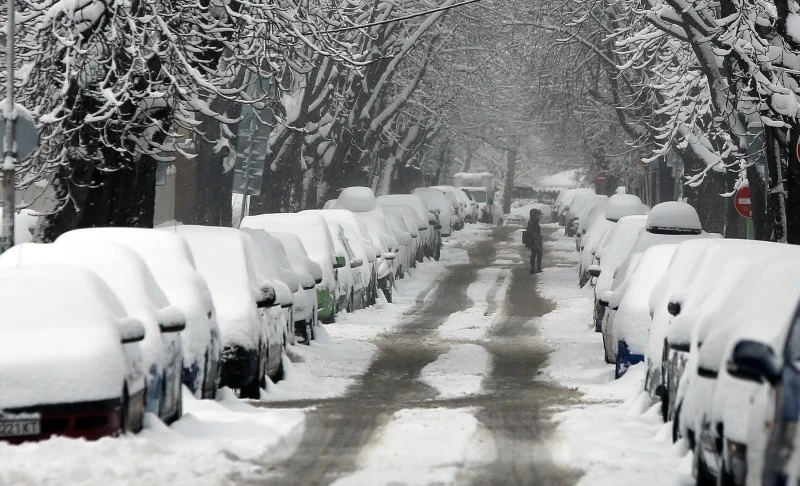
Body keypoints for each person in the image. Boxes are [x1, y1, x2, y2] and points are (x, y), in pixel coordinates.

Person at [525, 208, 543, 274]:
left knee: (536, 254)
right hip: (534, 241)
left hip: (536, 241)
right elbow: (530, 231)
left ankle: (537, 268)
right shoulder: (532, 223)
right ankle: (535, 268)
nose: (539, 217)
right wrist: (536, 237)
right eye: (538, 215)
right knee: (535, 254)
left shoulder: (534, 222)